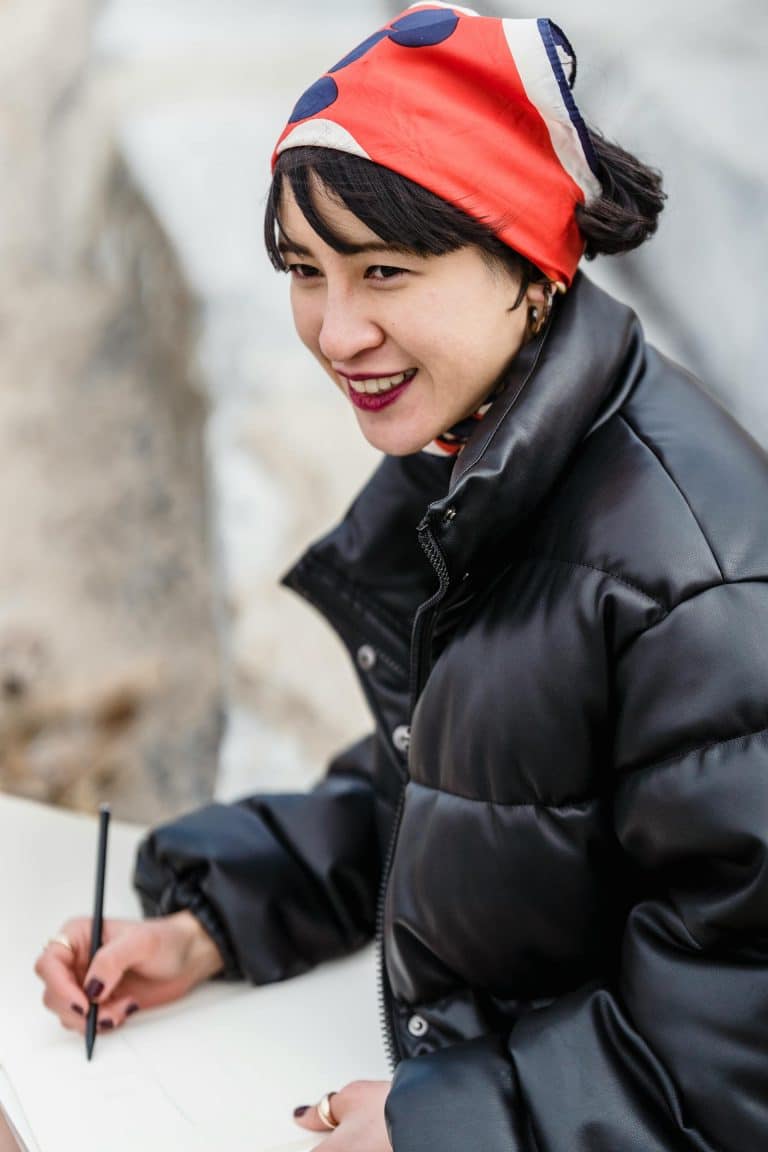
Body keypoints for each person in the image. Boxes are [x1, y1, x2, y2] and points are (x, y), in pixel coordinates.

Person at [34, 5, 768, 1150]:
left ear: (530, 263)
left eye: (385, 271)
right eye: (306, 271)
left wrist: (441, 1126)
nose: (336, 333)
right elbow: (457, 797)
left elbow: (733, 1049)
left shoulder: (694, 589)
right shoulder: (484, 451)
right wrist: (214, 922)